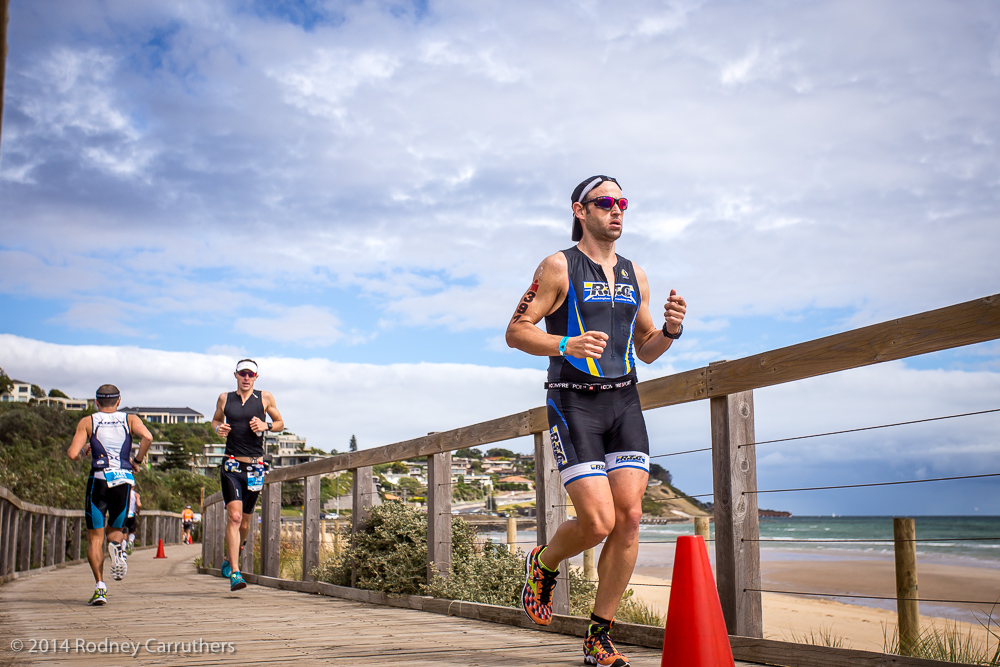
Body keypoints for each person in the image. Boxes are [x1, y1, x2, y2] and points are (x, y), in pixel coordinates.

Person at [505, 175, 687, 667]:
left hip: (624, 401)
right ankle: (543, 563)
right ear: (580, 210)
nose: (617, 210)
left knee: (628, 519)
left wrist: (671, 328)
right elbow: (515, 331)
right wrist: (565, 343)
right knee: (599, 521)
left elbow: (647, 352)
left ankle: (599, 637)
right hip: (574, 402)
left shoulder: (636, 274)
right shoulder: (558, 266)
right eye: (606, 202)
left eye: (622, 202)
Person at [67, 384, 152, 606]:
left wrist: (85, 451)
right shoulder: (130, 419)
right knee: (115, 530)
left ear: (96, 402)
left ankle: (100, 587)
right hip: (123, 480)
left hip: (99, 480)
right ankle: (116, 548)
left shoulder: (88, 421)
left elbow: (72, 453)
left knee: (95, 537)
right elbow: (148, 437)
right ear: (118, 400)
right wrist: (137, 461)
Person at [210, 359, 284, 592]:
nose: (246, 377)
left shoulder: (265, 398)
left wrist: (266, 426)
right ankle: (235, 572)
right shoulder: (225, 398)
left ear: (256, 377)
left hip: (255, 468)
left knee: (245, 521)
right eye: (242, 373)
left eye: (250, 374)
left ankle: (236, 549)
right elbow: (215, 420)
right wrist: (217, 428)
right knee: (234, 517)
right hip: (232, 466)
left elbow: (280, 422)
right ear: (236, 375)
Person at [123, 488, 141, 555]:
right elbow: (139, 505)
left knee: (123, 532)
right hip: (132, 514)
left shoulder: (123, 492)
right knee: (132, 531)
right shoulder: (135, 494)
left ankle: (123, 551)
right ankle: (130, 542)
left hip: (123, 514)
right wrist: (138, 511)